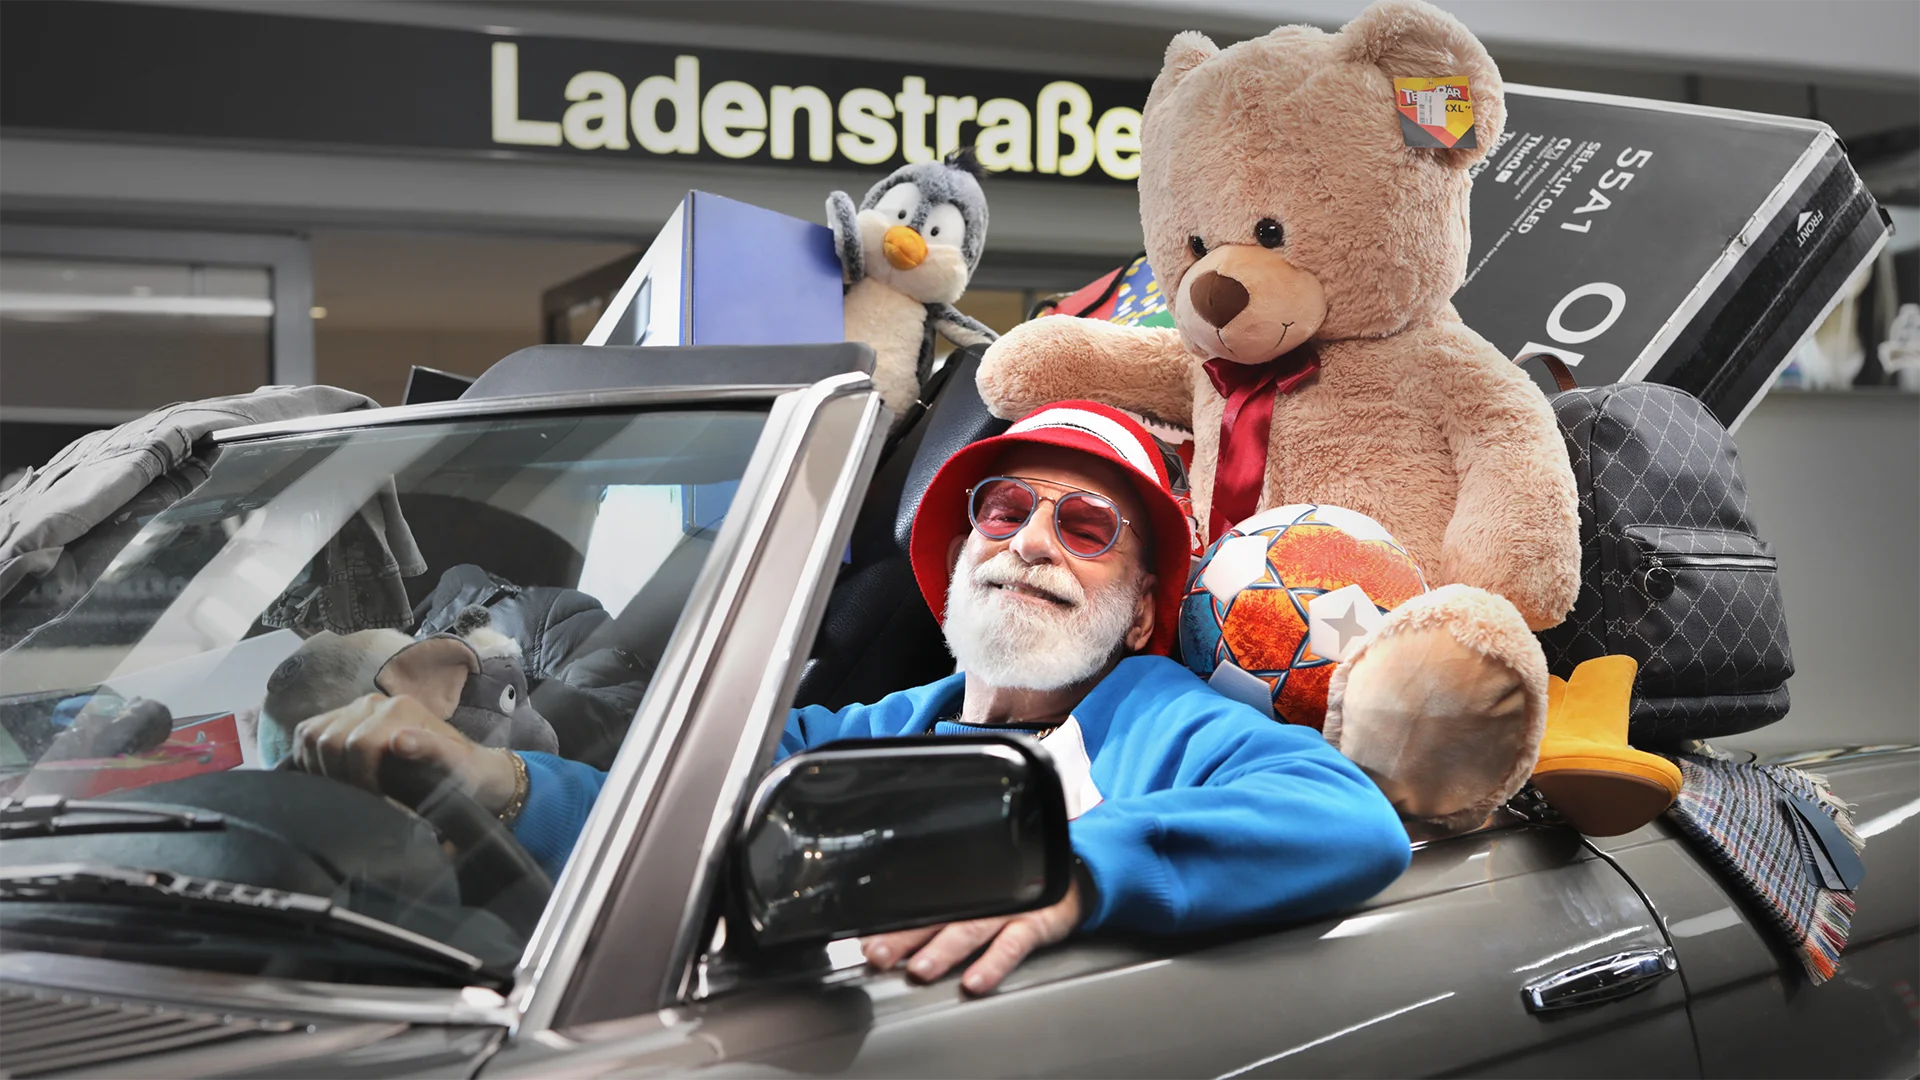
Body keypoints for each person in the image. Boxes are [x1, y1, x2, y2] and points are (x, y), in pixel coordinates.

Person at [290, 400, 1411, 995]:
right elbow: (679, 805)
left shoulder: (1166, 720)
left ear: (1137, 607)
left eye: (1084, 527)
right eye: (1005, 510)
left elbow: (1350, 821)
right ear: (961, 554)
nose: (1029, 544)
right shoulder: (858, 731)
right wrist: (500, 780)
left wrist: (1074, 876)